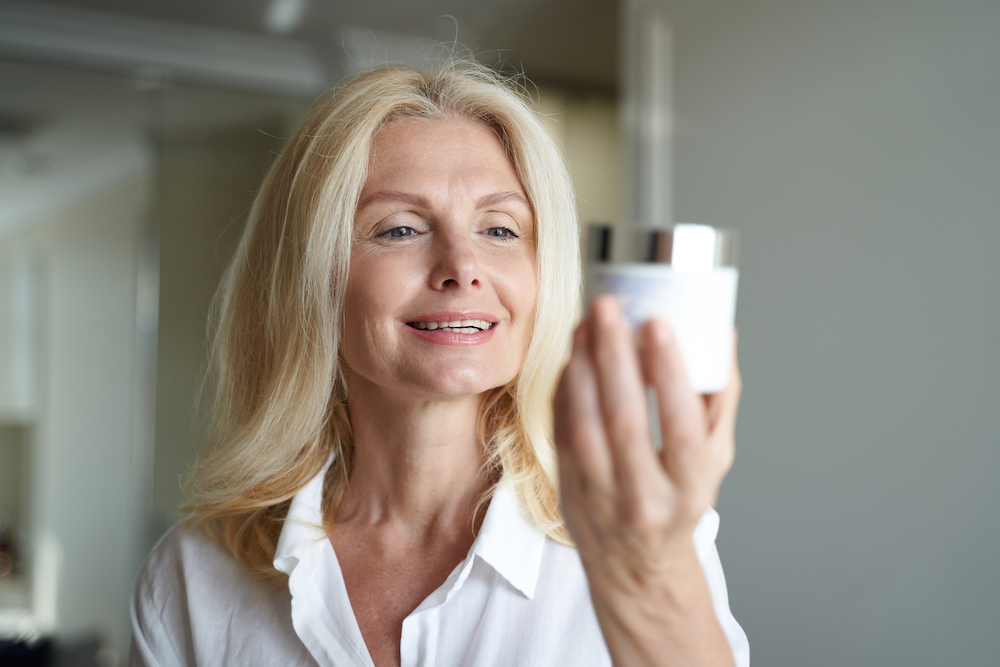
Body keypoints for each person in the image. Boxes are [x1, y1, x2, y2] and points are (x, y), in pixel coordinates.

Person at [130, 61, 749, 667]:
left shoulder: (650, 543)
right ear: (310, 279)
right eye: (400, 229)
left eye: (501, 230)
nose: (462, 265)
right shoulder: (193, 576)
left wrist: (651, 580)